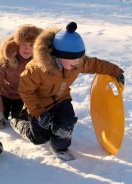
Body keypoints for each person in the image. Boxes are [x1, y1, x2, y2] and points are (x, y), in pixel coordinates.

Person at [10, 22, 125, 161]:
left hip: (61, 99)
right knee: (39, 138)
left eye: (79, 58)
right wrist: (39, 113)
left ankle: (59, 146)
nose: (77, 62)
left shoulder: (76, 62)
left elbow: (95, 64)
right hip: (39, 104)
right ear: (58, 55)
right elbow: (26, 91)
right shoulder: (37, 68)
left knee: (66, 122)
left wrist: (116, 71)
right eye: (73, 59)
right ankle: (18, 122)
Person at [0, 24, 42, 130]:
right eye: (24, 44)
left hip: (22, 97)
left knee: (20, 121)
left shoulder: (39, 63)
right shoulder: (5, 60)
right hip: (4, 95)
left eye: (31, 45)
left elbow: (40, 88)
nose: (27, 49)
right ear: (16, 44)